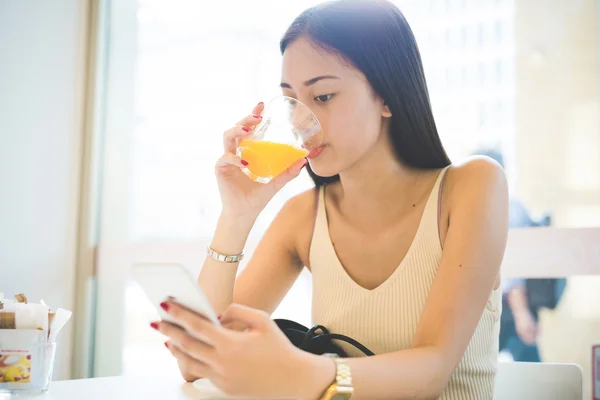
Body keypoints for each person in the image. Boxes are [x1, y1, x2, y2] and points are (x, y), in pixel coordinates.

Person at [151, 1, 509, 399]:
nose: (302, 122)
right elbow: (196, 363)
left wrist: (298, 371)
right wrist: (237, 213)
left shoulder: (472, 186)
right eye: (292, 101)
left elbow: (431, 373)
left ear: (388, 96)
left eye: (322, 97)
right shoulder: (303, 215)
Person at [472, 148, 566, 363]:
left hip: (505, 308)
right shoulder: (504, 207)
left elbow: (512, 269)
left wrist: (521, 313)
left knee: (527, 370)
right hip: (495, 308)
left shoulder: (506, 209)